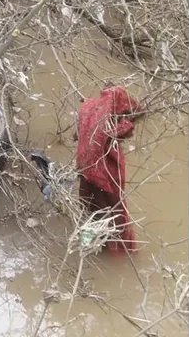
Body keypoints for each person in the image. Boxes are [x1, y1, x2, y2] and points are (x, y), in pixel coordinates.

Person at [76, 86, 141, 253]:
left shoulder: (88, 107)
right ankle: (120, 253)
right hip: (102, 175)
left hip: (84, 170)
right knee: (115, 214)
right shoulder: (110, 123)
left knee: (90, 209)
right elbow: (125, 130)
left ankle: (87, 244)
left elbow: (78, 133)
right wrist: (128, 122)